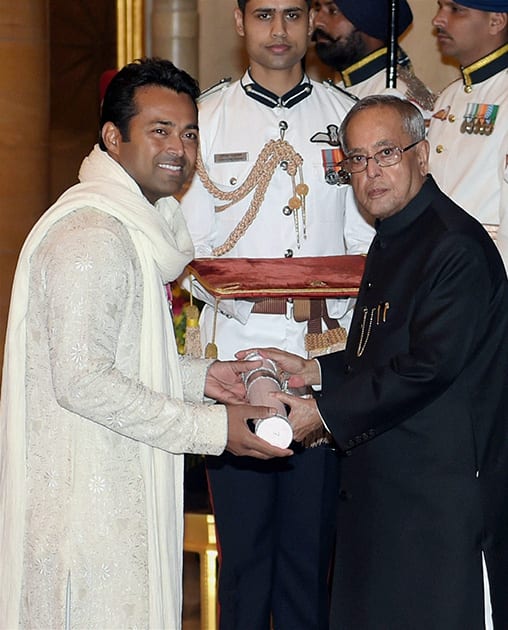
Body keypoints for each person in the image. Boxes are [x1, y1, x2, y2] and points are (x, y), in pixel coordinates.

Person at [0, 57, 293, 630]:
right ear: (113, 137)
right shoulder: (92, 235)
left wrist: (199, 379)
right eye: (159, 131)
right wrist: (212, 429)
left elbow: (117, 357)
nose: (179, 149)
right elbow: (83, 380)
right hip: (85, 517)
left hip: (114, 493)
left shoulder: (133, 227)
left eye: (188, 133)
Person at [241, 95, 508, 629]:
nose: (371, 172)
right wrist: (316, 370)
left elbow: (428, 367)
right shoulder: (399, 234)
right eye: (357, 160)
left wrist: (324, 413)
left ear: (423, 155)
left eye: (386, 153)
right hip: (386, 499)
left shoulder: (453, 245)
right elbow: (384, 348)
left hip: (439, 508)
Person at [179, 1, 374, 628]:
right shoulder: (204, 120)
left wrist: (323, 301)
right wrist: (250, 296)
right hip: (234, 365)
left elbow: (370, 242)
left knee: (309, 557)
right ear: (240, 24)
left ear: (311, 19)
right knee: (242, 558)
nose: (279, 31)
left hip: (319, 364)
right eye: (263, 15)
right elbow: (185, 249)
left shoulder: (348, 119)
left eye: (292, 14)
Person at [427, 0, 508, 268]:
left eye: (455, 9)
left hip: (487, 269)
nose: (438, 20)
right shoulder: (449, 97)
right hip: (441, 268)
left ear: (496, 21)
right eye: (440, 7)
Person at [311, 0, 436, 113]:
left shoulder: (394, 98)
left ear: (369, 22)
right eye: (318, 9)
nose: (317, 21)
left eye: (333, 11)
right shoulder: (346, 87)